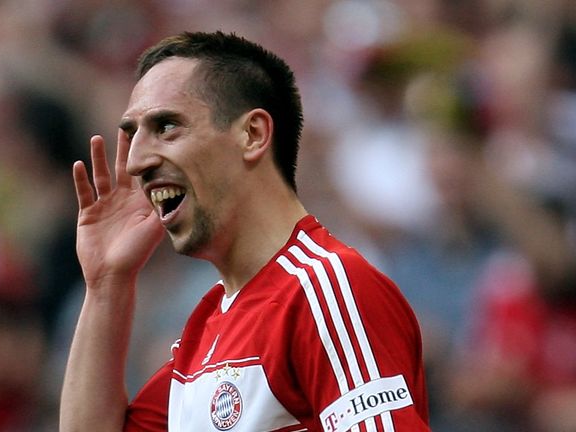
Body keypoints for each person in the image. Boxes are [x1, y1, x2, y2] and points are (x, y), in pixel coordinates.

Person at [60, 30, 430, 431]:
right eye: (134, 135)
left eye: (166, 127)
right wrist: (106, 283)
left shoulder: (325, 288)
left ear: (252, 134)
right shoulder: (208, 328)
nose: (136, 162)